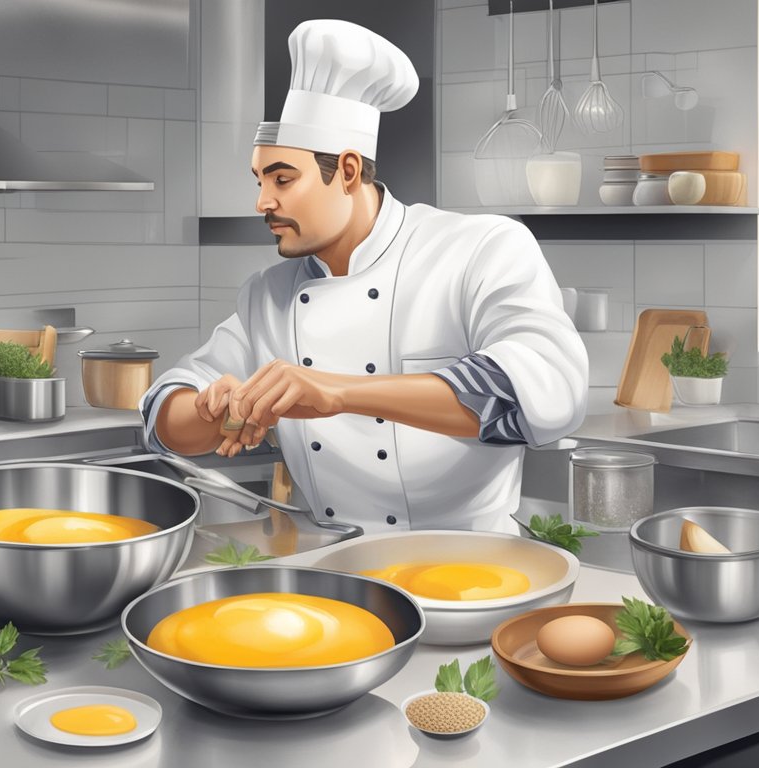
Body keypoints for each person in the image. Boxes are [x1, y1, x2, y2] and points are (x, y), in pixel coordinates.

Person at [140, 19, 588, 534]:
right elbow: (162, 415)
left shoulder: (479, 248)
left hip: (472, 568)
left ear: (349, 171)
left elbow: (548, 392)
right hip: (334, 566)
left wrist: (339, 392)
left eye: (283, 178)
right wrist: (211, 410)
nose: (263, 201)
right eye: (260, 180)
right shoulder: (270, 296)